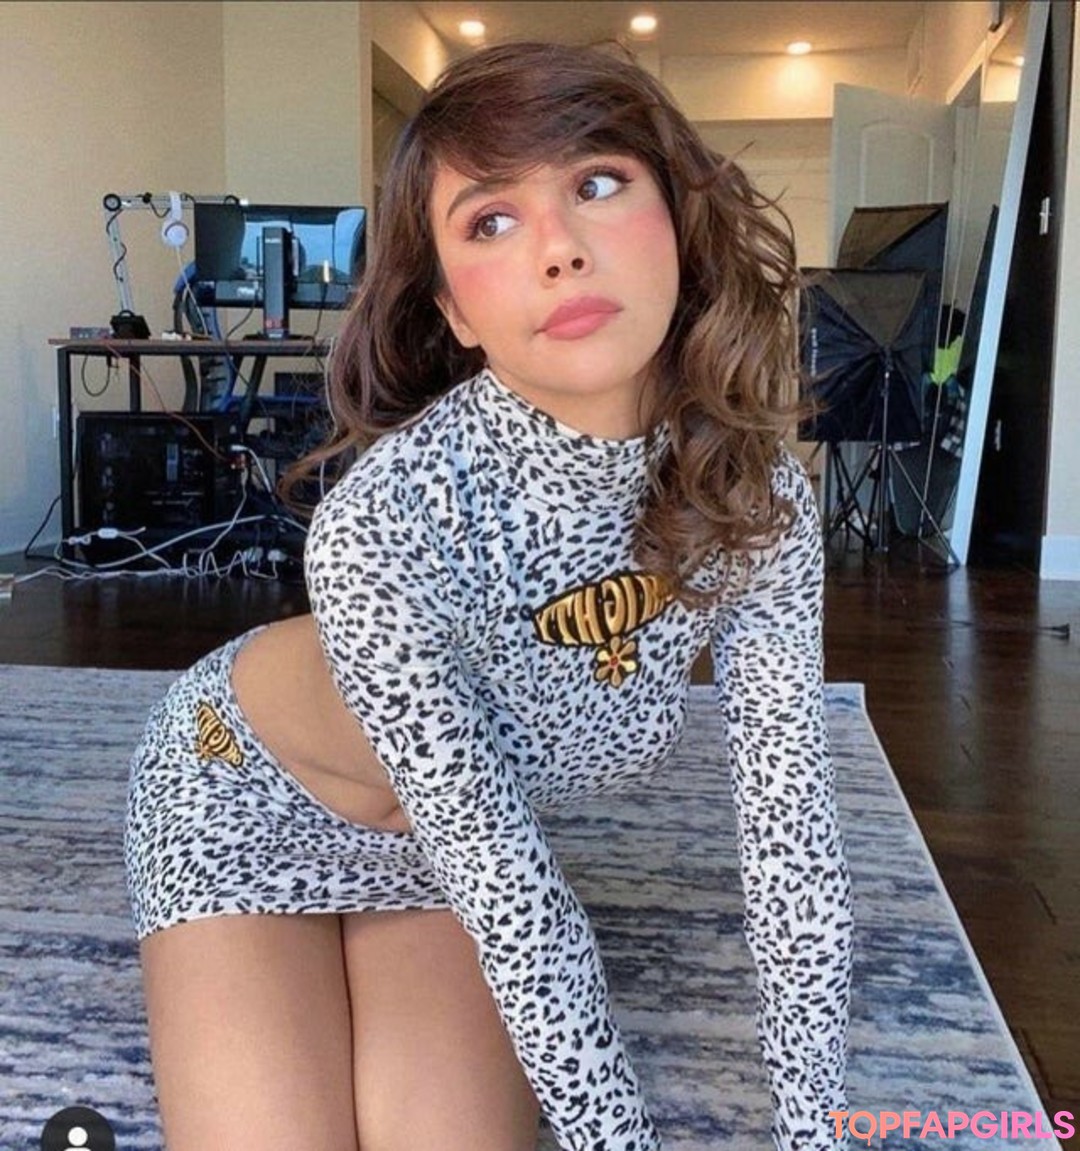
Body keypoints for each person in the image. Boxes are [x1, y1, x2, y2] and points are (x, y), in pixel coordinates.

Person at [124, 40, 853, 1151]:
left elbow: (792, 843)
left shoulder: (761, 504)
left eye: (597, 183)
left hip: (444, 850)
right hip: (236, 797)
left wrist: (820, 1133)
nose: (558, 247)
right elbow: (520, 911)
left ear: (679, 220)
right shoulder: (384, 526)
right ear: (455, 309)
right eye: (492, 221)